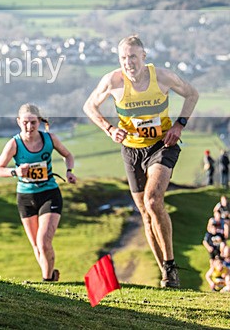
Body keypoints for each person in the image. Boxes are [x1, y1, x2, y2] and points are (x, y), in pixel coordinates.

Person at [83, 34, 199, 288]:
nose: (128, 63)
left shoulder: (162, 77)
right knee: (146, 214)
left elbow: (192, 94)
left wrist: (179, 124)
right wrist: (108, 128)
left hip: (162, 146)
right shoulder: (112, 81)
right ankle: (166, 274)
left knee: (153, 200)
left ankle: (170, 264)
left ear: (144, 57)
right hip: (131, 151)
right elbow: (89, 106)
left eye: (133, 57)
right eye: (123, 58)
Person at [0, 104, 77, 282]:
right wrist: (16, 171)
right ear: (18, 122)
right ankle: (51, 275)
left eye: (33, 122)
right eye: (25, 122)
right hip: (25, 197)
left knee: (43, 242)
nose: (29, 127)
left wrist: (69, 171)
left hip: (49, 193)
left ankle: (47, 282)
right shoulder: (14, 144)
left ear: (39, 121)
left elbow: (68, 155)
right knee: (36, 247)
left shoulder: (49, 139)